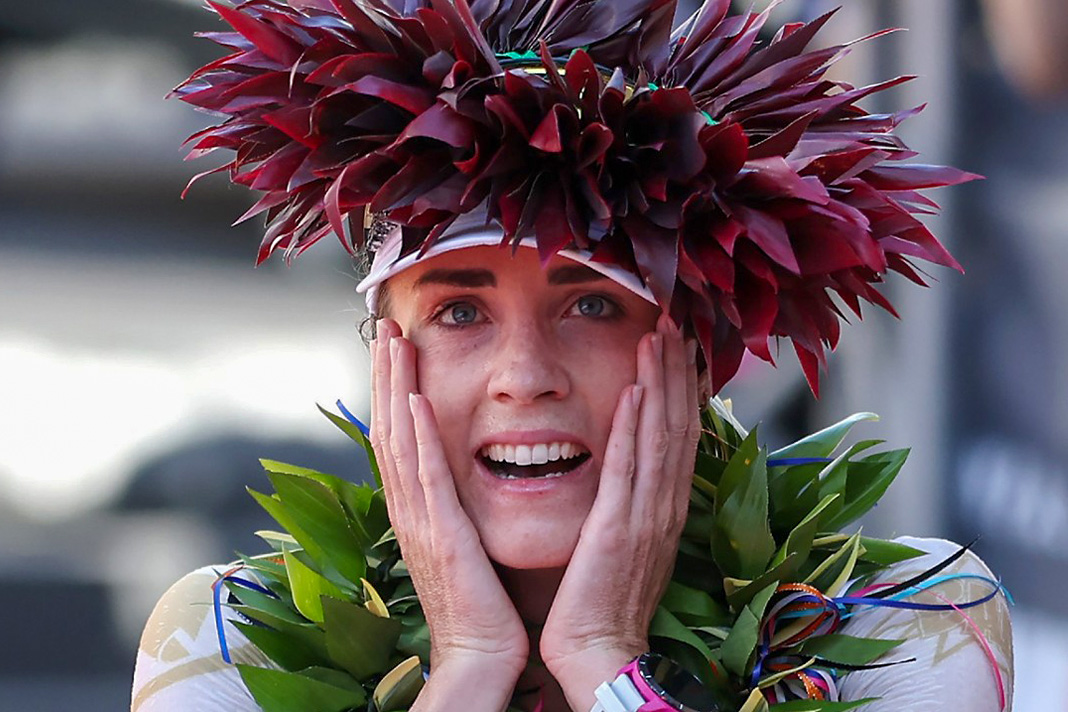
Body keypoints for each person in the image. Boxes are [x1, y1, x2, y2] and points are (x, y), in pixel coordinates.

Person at [132, 0, 1013, 710]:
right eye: (460, 312)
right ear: (389, 354)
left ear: (696, 353)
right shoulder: (220, 637)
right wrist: (469, 670)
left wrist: (604, 664)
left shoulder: (916, 618)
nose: (524, 377)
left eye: (591, 305)